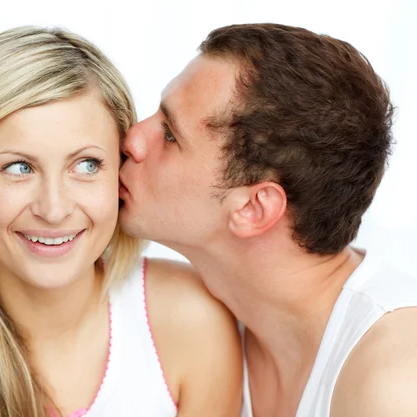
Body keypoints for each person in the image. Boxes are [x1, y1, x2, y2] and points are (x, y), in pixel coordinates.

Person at [0, 27, 242, 417]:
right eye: (19, 167)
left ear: (119, 168)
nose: (53, 210)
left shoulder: (189, 320)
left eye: (86, 165)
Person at [119, 22, 417, 417]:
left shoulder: (394, 382)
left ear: (253, 208)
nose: (131, 139)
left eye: (171, 135)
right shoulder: (193, 323)